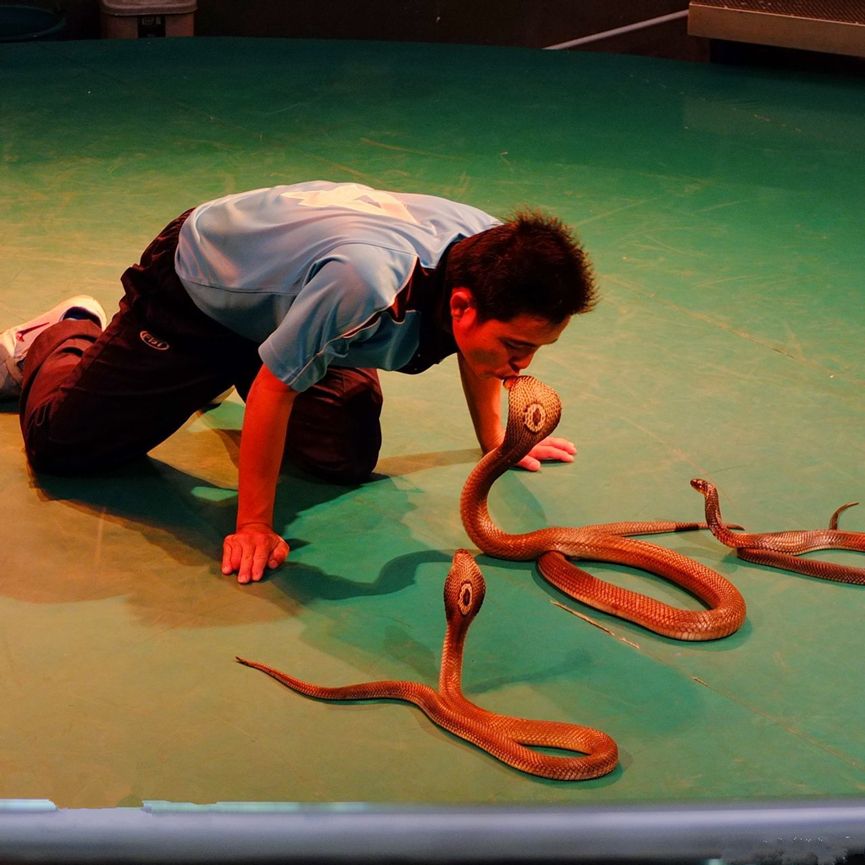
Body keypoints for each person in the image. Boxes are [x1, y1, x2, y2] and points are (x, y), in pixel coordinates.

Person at [0, 180, 596, 584]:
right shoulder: (369, 286)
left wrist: (496, 441)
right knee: (64, 447)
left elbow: (482, 351)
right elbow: (275, 389)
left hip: (295, 296)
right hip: (205, 284)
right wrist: (254, 526)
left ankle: (251, 357)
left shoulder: (491, 253)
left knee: (344, 450)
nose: (523, 365)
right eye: (517, 347)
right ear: (462, 305)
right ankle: (63, 331)